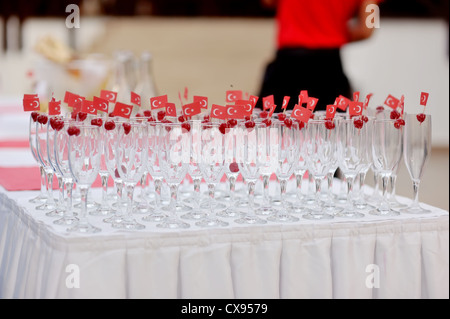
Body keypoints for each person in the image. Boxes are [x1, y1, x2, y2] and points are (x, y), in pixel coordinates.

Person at [256, 0, 379, 112]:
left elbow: (267, 2)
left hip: (287, 64)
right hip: (329, 67)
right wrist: (334, 35)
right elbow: (367, 30)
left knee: (273, 128)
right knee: (330, 130)